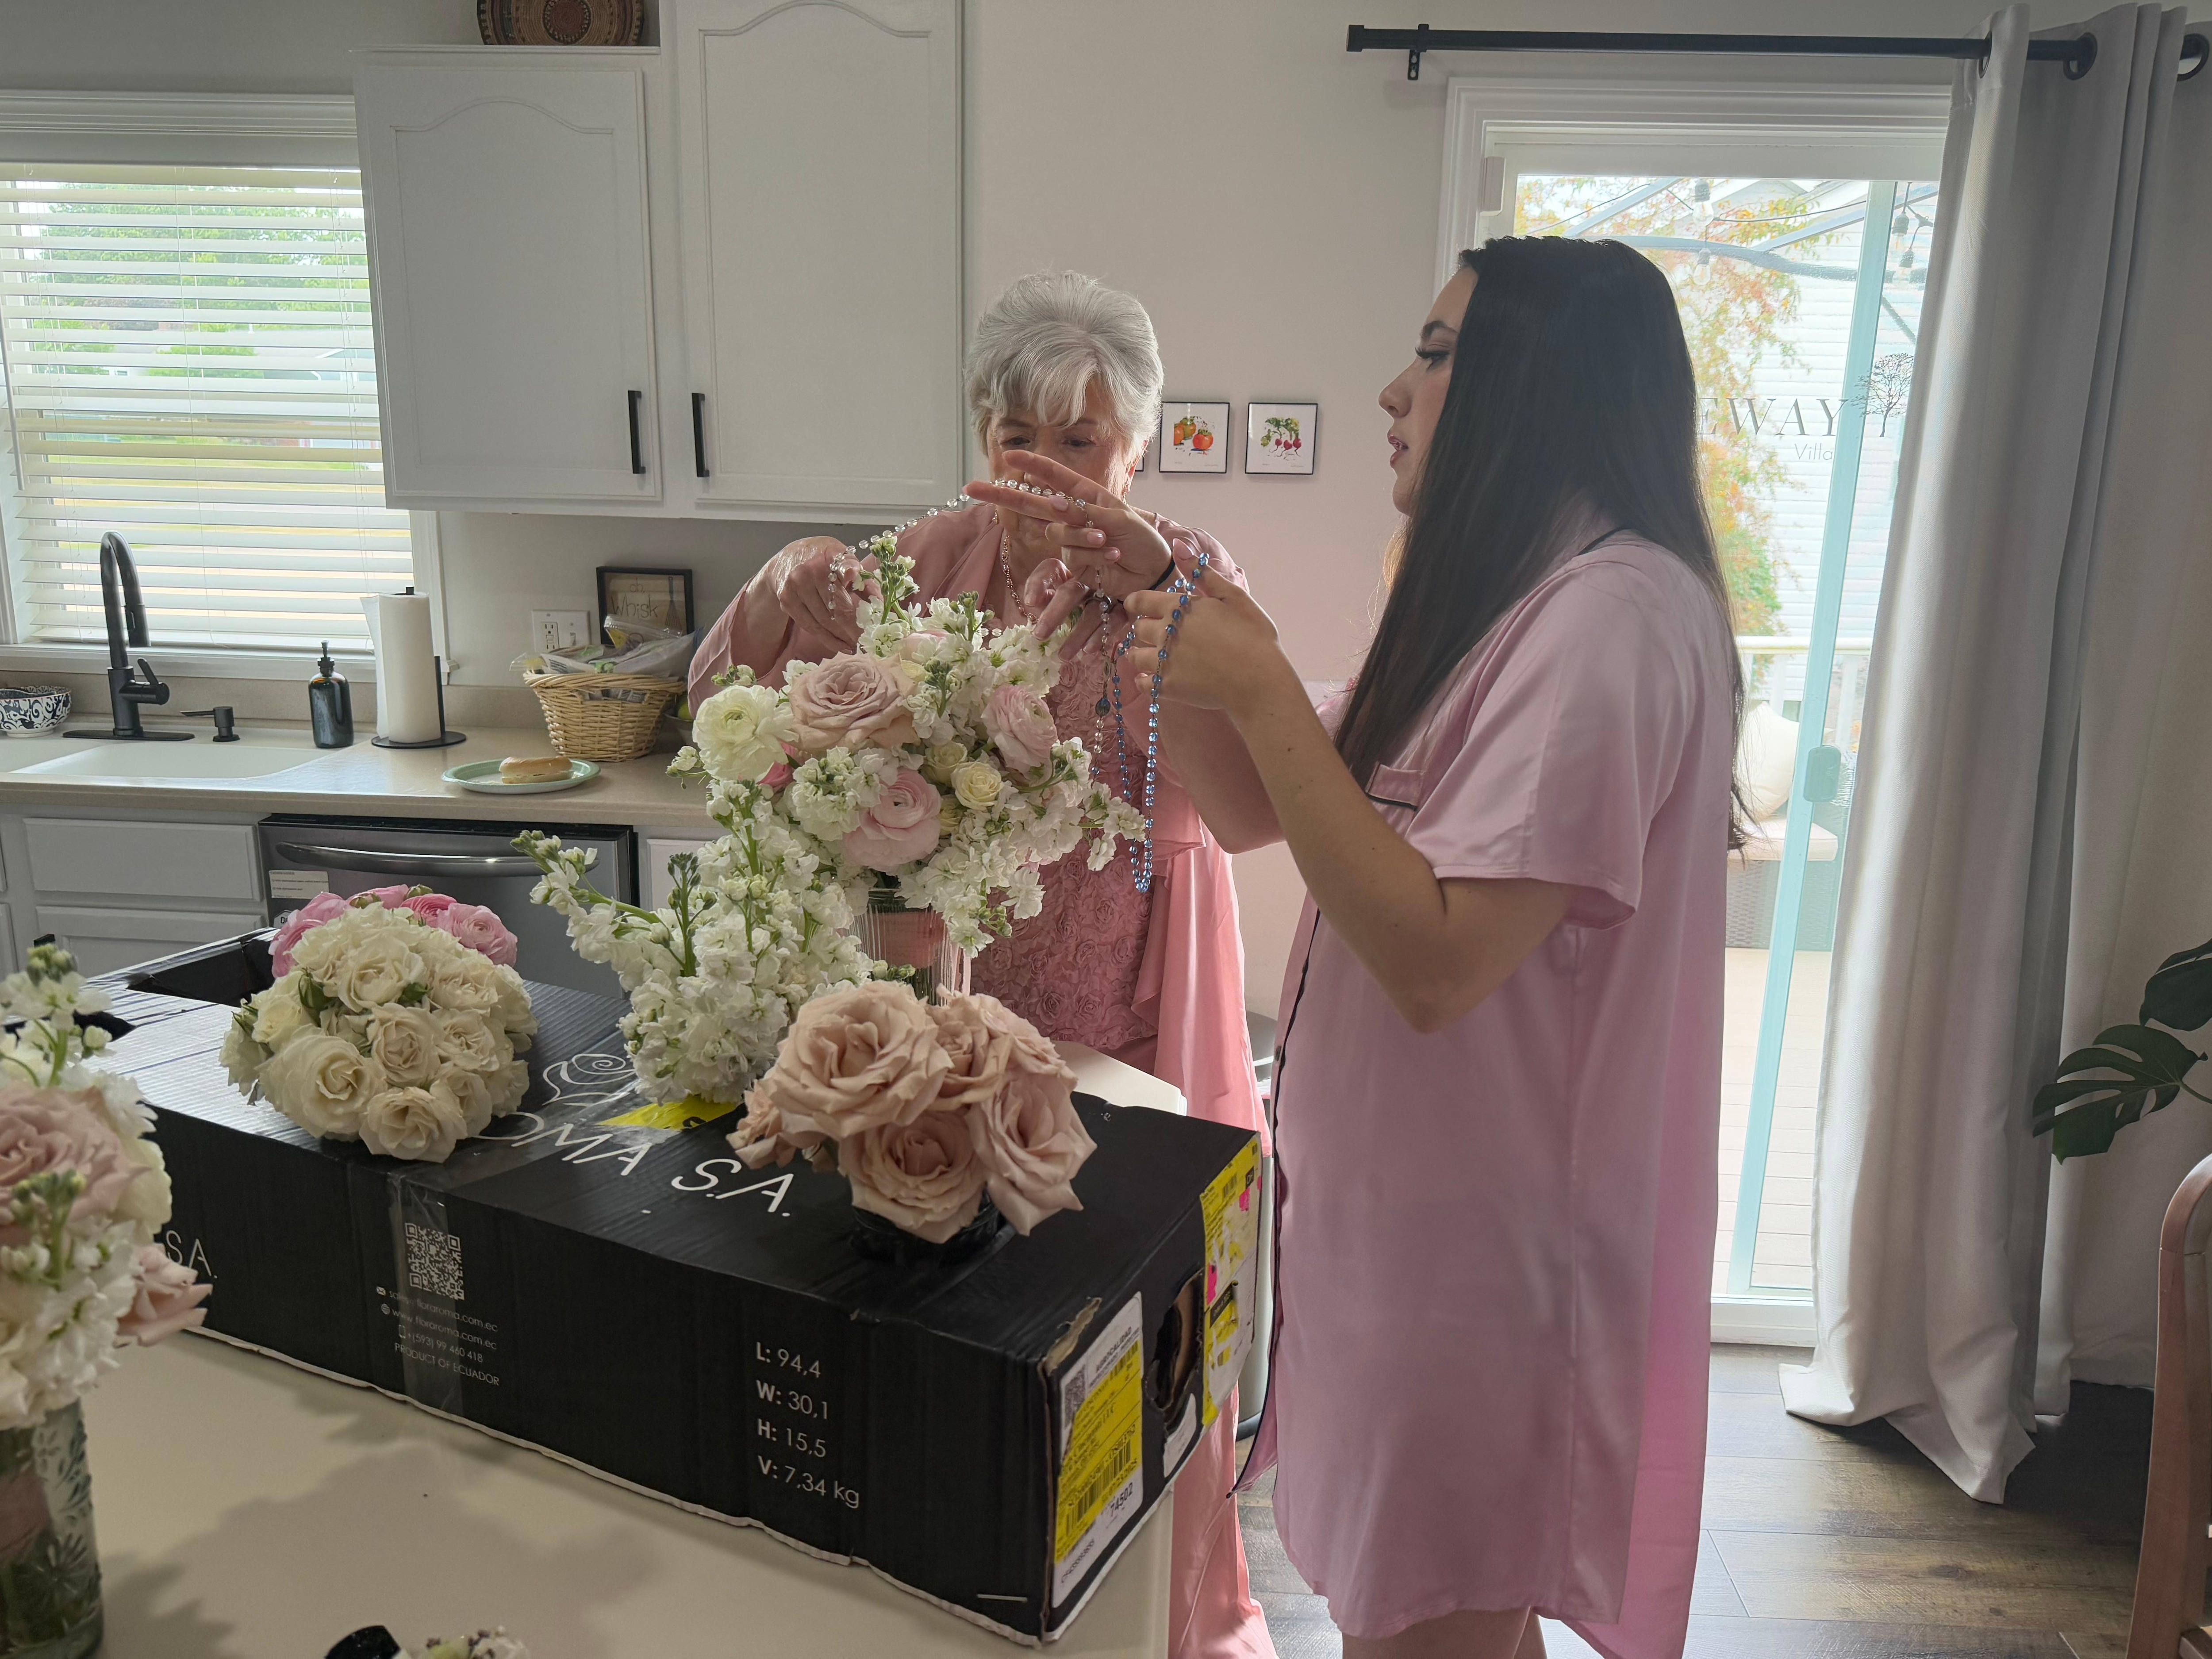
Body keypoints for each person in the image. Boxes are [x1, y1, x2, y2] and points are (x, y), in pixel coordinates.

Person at [984, 238, 1737, 1659]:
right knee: (1434, 1615)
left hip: (1494, 1261)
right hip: (1405, 1227)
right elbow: (1271, 807)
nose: (1394, 392)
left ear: (1543, 383)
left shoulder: (1613, 619)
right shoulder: (1497, 599)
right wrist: (1166, 612)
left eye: (1439, 355)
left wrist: (1252, 669)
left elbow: (1442, 959)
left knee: (1426, 1625)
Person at [691, 271, 1274, 1659]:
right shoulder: (934, 555)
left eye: (1081, 443)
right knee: (958, 1284)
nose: (1048, 471)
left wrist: (1158, 609)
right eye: (1021, 435)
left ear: (1136, 449)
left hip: (1140, 959)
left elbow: (1251, 801)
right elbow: (726, 699)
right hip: (956, 968)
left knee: (1136, 1291)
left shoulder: (1190, 577)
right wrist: (779, 588)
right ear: (980, 432)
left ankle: (1157, 1615)